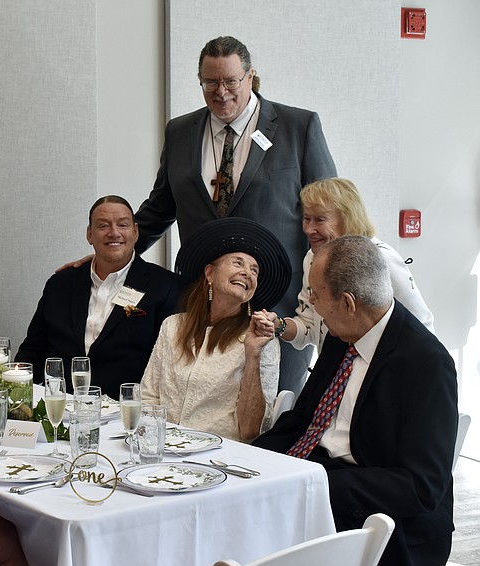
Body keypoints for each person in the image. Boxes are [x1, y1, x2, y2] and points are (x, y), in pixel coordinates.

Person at [132, 36, 337, 397]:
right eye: (210, 82)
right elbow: (160, 208)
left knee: (272, 414)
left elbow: (329, 213)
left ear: (250, 76)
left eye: (231, 81)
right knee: (197, 408)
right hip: (205, 306)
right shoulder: (180, 131)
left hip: (278, 307)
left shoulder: (298, 127)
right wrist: (116, 254)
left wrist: (329, 288)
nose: (221, 92)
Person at [253, 236, 457, 566]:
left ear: (348, 303)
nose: (311, 303)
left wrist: (317, 484)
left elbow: (422, 486)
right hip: (317, 477)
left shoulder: (427, 363)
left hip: (381, 515)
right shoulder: (342, 334)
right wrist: (252, 459)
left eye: (316, 294)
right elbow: (304, 419)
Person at [15, 195, 182, 398]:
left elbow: (169, 367)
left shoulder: (166, 287)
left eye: (123, 225)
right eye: (103, 226)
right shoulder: (60, 284)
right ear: (89, 235)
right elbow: (32, 351)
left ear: (136, 232)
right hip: (60, 406)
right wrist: (16, 396)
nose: (114, 233)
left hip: (126, 409)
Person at [141, 217, 290, 441]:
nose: (247, 273)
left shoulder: (262, 339)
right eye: (238, 263)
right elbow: (148, 397)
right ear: (210, 273)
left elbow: (251, 430)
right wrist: (152, 443)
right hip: (163, 445)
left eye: (254, 270)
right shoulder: (172, 325)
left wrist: (253, 354)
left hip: (220, 453)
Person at [269, 177, 434, 351]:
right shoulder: (312, 258)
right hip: (334, 365)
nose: (309, 229)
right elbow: (309, 326)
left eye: (320, 220)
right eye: (307, 219)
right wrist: (278, 325)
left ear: (347, 218)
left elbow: (422, 324)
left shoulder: (381, 258)